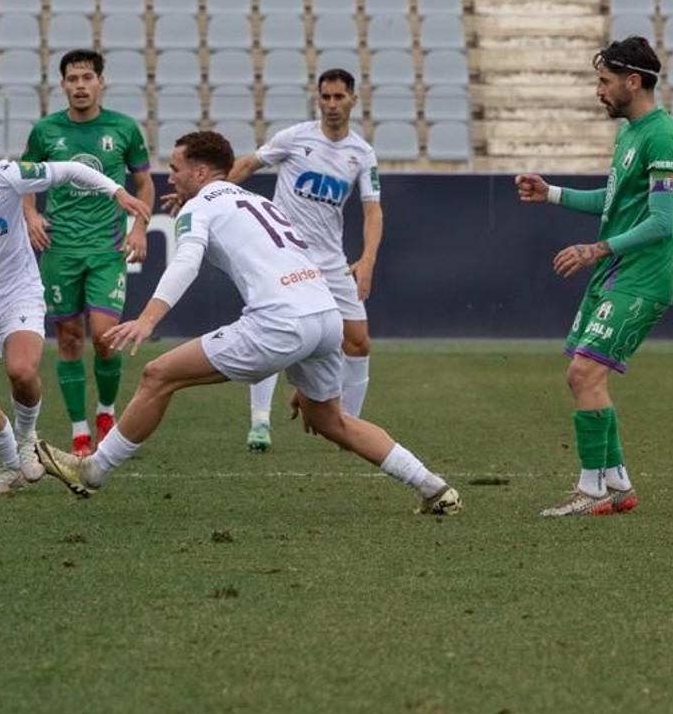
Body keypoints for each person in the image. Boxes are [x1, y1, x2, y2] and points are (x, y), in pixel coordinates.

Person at [33, 130, 461, 518]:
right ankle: (433, 487)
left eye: (177, 168)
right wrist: (303, 359)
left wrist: (147, 319)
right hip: (324, 315)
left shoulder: (199, 207)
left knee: (157, 374)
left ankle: (94, 470)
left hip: (280, 322)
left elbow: (185, 263)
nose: (170, 177)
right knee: (332, 420)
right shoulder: (259, 201)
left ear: (201, 172)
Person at [0, 106, 150, 496]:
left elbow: (71, 169)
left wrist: (118, 192)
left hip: (17, 291)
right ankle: (13, 466)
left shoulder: (5, 176)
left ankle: (26, 442)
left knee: (21, 371)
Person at [512, 38, 673, 517]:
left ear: (633, 82)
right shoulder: (631, 135)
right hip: (618, 272)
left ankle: (591, 491)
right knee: (582, 373)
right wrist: (551, 194)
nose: (598, 90)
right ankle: (617, 484)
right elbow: (613, 204)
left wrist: (597, 248)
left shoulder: (662, 137)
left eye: (604, 81)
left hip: (643, 276)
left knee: (584, 372)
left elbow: (662, 222)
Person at [221, 70, 382, 453]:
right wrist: (211, 194)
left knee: (358, 342)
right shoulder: (295, 138)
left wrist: (368, 259)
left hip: (331, 262)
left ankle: (349, 425)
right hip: (285, 255)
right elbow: (247, 165)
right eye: (325, 97)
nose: (331, 105)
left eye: (339, 97)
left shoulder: (362, 153)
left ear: (353, 101)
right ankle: (260, 423)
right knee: (274, 333)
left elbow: (373, 211)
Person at [21, 50, 153, 458]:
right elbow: (24, 179)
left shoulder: (124, 128)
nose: (80, 85)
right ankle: (79, 430)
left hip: (106, 247)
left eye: (87, 77)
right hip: (59, 248)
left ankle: (106, 413)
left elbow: (145, 184)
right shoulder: (45, 131)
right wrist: (30, 215)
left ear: (100, 83)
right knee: (69, 337)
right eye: (72, 78)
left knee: (105, 337)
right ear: (62, 85)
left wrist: (140, 227)